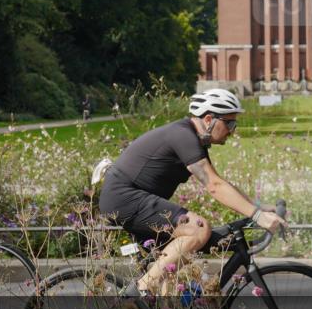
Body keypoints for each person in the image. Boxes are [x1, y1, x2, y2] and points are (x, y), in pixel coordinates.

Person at [99, 89, 286, 296]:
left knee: (173, 279)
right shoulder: (183, 136)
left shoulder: (190, 138)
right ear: (208, 119)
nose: (232, 131)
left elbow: (218, 181)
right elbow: (214, 186)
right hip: (124, 199)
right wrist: (257, 216)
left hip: (129, 200)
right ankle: (141, 290)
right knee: (198, 229)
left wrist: (257, 206)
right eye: (230, 123)